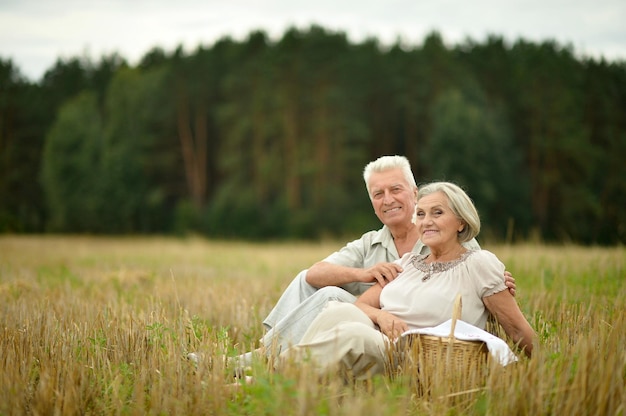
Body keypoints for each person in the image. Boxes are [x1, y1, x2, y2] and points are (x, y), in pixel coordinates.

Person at [257, 156, 514, 358]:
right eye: (378, 194)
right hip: (372, 321)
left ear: (415, 193)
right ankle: (272, 353)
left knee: (329, 299)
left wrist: (500, 284)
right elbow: (314, 274)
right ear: (372, 202)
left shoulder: (451, 236)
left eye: (395, 189)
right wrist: (363, 274)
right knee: (311, 283)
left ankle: (269, 358)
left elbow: (484, 281)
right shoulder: (370, 242)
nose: (387, 200)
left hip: (410, 337)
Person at [277, 181, 536, 379]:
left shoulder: (480, 263)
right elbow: (360, 306)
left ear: (460, 221)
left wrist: (541, 368)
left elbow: (515, 328)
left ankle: (270, 377)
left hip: (420, 357)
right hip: (381, 342)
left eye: (437, 213)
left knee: (354, 334)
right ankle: (289, 374)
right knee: (339, 310)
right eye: (421, 214)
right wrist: (381, 317)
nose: (427, 222)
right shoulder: (407, 263)